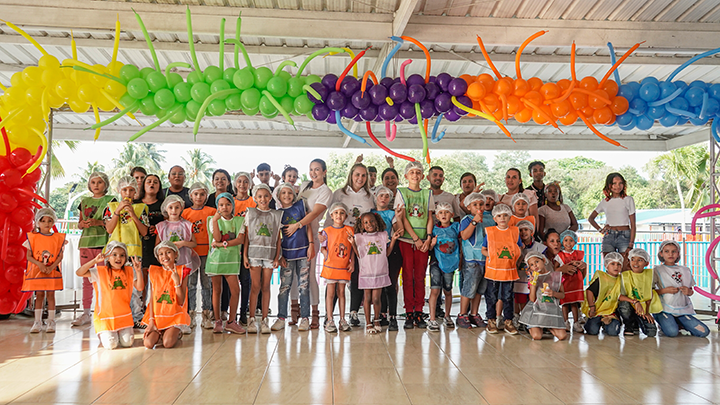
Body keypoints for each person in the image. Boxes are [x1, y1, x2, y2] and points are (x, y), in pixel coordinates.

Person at [327, 163, 374, 327]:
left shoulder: (370, 196)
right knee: (335, 276)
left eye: (363, 175)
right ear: (351, 175)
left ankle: (353, 312)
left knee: (357, 275)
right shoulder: (339, 193)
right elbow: (329, 216)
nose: (360, 178)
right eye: (357, 175)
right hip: (340, 238)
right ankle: (329, 315)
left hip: (361, 239)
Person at [76, 242, 144, 350]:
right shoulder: (100, 272)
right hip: (105, 318)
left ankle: (117, 332)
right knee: (111, 345)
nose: (118, 258)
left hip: (124, 317)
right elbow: (79, 273)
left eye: (122, 255)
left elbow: (140, 287)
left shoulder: (129, 271)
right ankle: (103, 332)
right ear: (108, 257)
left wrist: (138, 271)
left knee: (127, 343)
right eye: (114, 254)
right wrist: (94, 261)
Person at [105, 176, 149, 327]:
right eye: (124, 190)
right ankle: (116, 315)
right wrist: (117, 211)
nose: (128, 193)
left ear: (136, 192)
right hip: (113, 255)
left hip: (133, 253)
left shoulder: (142, 208)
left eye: (131, 190)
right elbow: (109, 229)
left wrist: (133, 215)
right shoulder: (110, 207)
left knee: (135, 289)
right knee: (115, 285)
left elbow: (144, 232)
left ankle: (137, 317)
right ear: (118, 190)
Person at [395, 161, 435, 329]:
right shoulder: (401, 192)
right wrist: (415, 238)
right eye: (412, 172)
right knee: (407, 277)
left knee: (420, 276)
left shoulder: (428, 193)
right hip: (407, 240)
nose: (415, 175)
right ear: (406, 176)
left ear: (423, 176)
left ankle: (419, 310)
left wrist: (427, 238)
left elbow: (430, 217)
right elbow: (402, 217)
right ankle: (409, 311)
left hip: (423, 242)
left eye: (418, 172)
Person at [294, 159, 333, 329]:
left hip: (311, 236)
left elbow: (314, 213)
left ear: (324, 172)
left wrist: (298, 224)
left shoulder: (326, 191)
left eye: (317, 169)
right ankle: (295, 311)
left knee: (309, 276)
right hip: (294, 236)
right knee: (295, 275)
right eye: (311, 169)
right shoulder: (304, 186)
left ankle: (315, 312)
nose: (313, 173)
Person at [73, 172, 115, 327]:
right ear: (89, 185)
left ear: (105, 184)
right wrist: (83, 225)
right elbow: (79, 223)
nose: (96, 185)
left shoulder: (111, 200)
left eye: (99, 182)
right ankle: (86, 313)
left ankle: (104, 310)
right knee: (86, 279)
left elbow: (112, 223)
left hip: (103, 243)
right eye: (93, 182)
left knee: (104, 278)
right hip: (86, 243)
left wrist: (99, 222)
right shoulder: (84, 201)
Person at [349, 212, 400, 334]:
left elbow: (386, 253)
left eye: (371, 221)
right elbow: (358, 254)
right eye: (365, 222)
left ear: (376, 221)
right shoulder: (359, 237)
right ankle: (368, 323)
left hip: (380, 271)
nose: (369, 224)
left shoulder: (383, 235)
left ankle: (376, 320)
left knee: (377, 298)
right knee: (367, 297)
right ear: (362, 225)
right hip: (366, 271)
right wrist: (352, 243)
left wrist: (393, 240)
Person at [273, 183, 314, 331]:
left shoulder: (301, 206)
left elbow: (308, 225)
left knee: (304, 286)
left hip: (303, 252)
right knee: (284, 287)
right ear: (278, 196)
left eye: (289, 192)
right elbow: (277, 237)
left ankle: (305, 318)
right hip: (287, 255)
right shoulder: (277, 213)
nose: (286, 195)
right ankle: (281, 318)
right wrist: (279, 256)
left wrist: (311, 244)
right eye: (283, 193)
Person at [155, 195, 199, 333]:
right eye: (170, 207)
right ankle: (170, 317)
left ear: (181, 208)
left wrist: (183, 243)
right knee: (170, 290)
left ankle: (185, 317)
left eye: (177, 207)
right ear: (166, 209)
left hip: (184, 263)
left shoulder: (187, 225)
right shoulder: (161, 226)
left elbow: (194, 243)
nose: (174, 210)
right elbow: (157, 246)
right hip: (168, 266)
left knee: (186, 289)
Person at [243, 184, 283, 334]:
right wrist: (245, 255)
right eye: (259, 196)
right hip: (254, 255)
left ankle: (265, 319)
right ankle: (252, 319)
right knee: (255, 286)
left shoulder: (276, 215)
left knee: (266, 287)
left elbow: (279, 238)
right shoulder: (251, 213)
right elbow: (246, 236)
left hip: (269, 256)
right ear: (255, 198)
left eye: (266, 196)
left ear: (271, 197)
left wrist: (277, 257)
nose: (263, 199)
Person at [206, 192, 246, 334]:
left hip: (232, 260)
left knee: (235, 290)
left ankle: (231, 321)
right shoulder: (212, 219)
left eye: (228, 204)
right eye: (221, 205)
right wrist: (216, 221)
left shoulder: (239, 220)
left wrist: (222, 244)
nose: (224, 207)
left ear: (232, 205)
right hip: (216, 260)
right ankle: (218, 321)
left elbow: (239, 240)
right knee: (217, 290)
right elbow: (215, 237)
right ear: (217, 206)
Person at [653, 240, 710, 338]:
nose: (670, 254)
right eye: (667, 251)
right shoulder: (657, 269)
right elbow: (650, 292)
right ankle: (666, 322)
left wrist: (688, 291)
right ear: (661, 253)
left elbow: (690, 291)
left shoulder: (685, 270)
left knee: (704, 332)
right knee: (672, 333)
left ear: (678, 253)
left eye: (674, 251)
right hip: (664, 309)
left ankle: (680, 322)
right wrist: (665, 291)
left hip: (682, 310)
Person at [22, 208, 67, 333]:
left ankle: (51, 321)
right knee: (39, 295)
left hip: (52, 271)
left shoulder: (58, 238)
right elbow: (29, 255)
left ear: (53, 222)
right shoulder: (32, 238)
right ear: (37, 222)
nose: (46, 223)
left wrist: (52, 267)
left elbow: (60, 255)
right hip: (38, 271)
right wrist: (39, 265)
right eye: (43, 221)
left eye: (49, 220)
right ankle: (37, 322)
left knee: (51, 295)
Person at [481, 204, 522, 334]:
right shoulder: (490, 232)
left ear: (510, 217)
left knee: (508, 297)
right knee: (492, 296)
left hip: (509, 271)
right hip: (493, 270)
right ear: (494, 218)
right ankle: (491, 320)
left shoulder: (514, 231)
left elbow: (519, 248)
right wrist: (494, 257)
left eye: (505, 215)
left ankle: (508, 321)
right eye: (499, 216)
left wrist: (513, 259)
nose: (502, 218)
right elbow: (484, 250)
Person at [142, 241, 191, 348]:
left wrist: (177, 283)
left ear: (176, 254)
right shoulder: (154, 271)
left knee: (168, 344)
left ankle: (174, 332)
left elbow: (181, 301)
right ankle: (161, 333)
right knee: (148, 344)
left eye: (168, 252)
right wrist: (151, 322)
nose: (165, 256)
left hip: (174, 317)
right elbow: (152, 299)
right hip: (158, 317)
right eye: (161, 254)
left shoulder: (182, 271)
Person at [182, 182, 216, 330]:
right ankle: (190, 314)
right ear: (191, 196)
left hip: (208, 253)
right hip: (191, 254)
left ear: (206, 196)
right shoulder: (184, 213)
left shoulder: (212, 211)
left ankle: (206, 314)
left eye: (202, 194)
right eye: (196, 194)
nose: (199, 197)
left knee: (207, 284)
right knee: (191, 284)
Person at [458, 193, 494, 329]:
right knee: (469, 287)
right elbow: (465, 236)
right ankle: (462, 314)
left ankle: (474, 313)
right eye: (475, 205)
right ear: (468, 207)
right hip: (472, 259)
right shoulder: (467, 219)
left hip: (486, 259)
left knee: (480, 288)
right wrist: (474, 221)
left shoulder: (490, 219)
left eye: (481, 204)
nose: (478, 207)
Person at [320, 203, 355, 333]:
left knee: (342, 293)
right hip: (330, 267)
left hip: (344, 267)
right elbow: (323, 247)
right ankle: (329, 319)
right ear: (331, 215)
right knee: (330, 294)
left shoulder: (350, 230)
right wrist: (325, 254)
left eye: (341, 213)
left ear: (346, 215)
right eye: (336, 213)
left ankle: (342, 319)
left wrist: (352, 262)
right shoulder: (327, 231)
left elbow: (352, 248)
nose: (339, 215)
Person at [371, 186, 403, 331]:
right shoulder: (371, 213)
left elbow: (399, 230)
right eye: (381, 195)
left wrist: (398, 216)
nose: (383, 199)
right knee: (379, 284)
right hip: (375, 251)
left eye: (386, 196)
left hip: (391, 249)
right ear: (375, 196)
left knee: (390, 284)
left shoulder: (391, 213)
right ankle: (381, 314)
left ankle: (393, 316)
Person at [587, 173, 636, 265]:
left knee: (625, 266)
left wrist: (631, 244)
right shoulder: (604, 202)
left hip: (625, 236)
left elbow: (633, 225)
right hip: (609, 236)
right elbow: (591, 218)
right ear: (609, 185)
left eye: (620, 183)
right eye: (614, 183)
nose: (618, 186)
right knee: (609, 266)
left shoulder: (628, 199)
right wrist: (600, 229)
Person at [518, 251, 567, 341]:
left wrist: (554, 293)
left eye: (537, 262)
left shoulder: (556, 276)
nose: (535, 266)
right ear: (530, 268)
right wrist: (533, 285)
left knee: (562, 336)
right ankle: (532, 325)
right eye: (532, 265)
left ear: (543, 260)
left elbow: (562, 295)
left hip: (551, 310)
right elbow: (532, 299)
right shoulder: (533, 279)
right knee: (537, 336)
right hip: (537, 310)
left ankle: (547, 326)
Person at [427, 202, 460, 331]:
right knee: (435, 290)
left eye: (446, 212)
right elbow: (429, 248)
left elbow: (461, 243)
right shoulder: (434, 230)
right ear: (437, 215)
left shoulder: (456, 227)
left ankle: (447, 316)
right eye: (441, 212)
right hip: (436, 262)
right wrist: (432, 243)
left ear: (451, 214)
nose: (444, 215)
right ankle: (432, 318)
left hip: (450, 263)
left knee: (447, 290)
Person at [618, 248, 661, 337]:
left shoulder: (650, 275)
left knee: (651, 332)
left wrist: (647, 312)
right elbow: (619, 296)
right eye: (633, 259)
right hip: (630, 305)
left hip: (643, 308)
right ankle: (629, 324)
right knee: (623, 305)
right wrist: (635, 302)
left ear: (646, 263)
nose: (635, 263)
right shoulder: (624, 276)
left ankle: (637, 322)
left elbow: (651, 294)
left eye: (640, 260)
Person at [582, 252, 623, 336]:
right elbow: (589, 291)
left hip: (611, 313)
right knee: (592, 331)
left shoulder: (622, 280)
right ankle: (593, 321)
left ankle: (606, 324)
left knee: (613, 332)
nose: (616, 267)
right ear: (606, 265)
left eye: (619, 264)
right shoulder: (602, 278)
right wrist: (592, 307)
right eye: (613, 264)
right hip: (597, 311)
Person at [514, 220, 546, 327]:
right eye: (520, 230)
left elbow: (545, 262)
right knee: (519, 298)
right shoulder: (515, 246)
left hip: (535, 278)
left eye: (526, 229)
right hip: (519, 277)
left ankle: (531, 318)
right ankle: (519, 317)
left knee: (533, 298)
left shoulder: (539, 247)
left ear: (531, 231)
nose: (523, 232)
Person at [555, 230, 586, 333]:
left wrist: (580, 265)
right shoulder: (560, 255)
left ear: (575, 241)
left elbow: (582, 267)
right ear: (562, 242)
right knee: (565, 303)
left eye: (571, 240)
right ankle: (565, 322)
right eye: (566, 240)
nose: (568, 243)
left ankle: (576, 322)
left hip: (576, 281)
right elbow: (555, 269)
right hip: (565, 282)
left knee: (575, 303)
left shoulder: (578, 254)